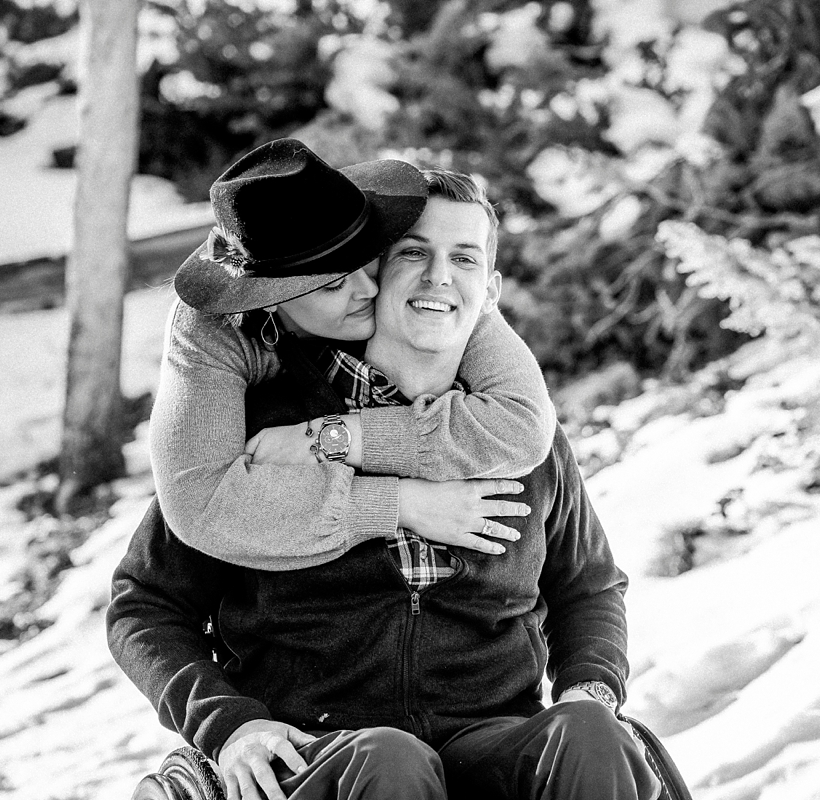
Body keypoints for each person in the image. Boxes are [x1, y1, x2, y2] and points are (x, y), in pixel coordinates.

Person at [108, 167, 660, 800]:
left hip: (489, 736)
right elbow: (146, 605)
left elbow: (586, 585)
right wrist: (230, 726)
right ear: (376, 269)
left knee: (589, 732)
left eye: (464, 259)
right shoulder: (258, 430)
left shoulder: (519, 431)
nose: (439, 277)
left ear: (492, 290)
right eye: (414, 254)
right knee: (390, 759)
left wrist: (590, 687)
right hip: (316, 747)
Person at [149, 138, 557, 572]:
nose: (369, 289)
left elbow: (524, 426)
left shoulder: (437, 291)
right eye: (333, 284)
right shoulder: (211, 335)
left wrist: (335, 439)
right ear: (270, 299)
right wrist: (399, 503)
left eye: (367, 260)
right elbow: (200, 504)